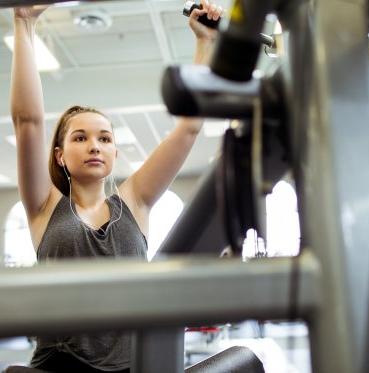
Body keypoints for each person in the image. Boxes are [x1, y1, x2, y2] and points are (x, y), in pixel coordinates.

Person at [10, 1, 223, 372]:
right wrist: (23, 21)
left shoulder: (136, 201)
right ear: (60, 156)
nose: (94, 145)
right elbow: (27, 121)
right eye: (80, 138)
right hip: (60, 367)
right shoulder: (44, 206)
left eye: (104, 138)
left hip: (133, 366)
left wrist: (205, 43)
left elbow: (188, 127)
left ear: (114, 151)